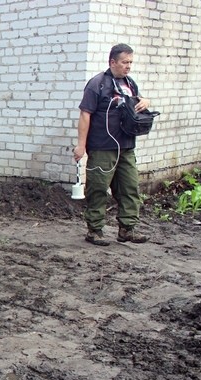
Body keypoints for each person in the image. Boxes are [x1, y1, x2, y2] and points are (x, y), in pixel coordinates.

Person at [73, 43, 152, 246]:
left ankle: (127, 229)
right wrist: (81, 146)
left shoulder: (129, 83)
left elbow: (136, 102)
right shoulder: (97, 84)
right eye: (125, 62)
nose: (128, 66)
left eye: (131, 63)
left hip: (125, 147)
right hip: (102, 147)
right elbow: (85, 114)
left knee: (129, 187)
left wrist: (145, 102)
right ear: (112, 62)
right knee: (98, 189)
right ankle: (95, 230)